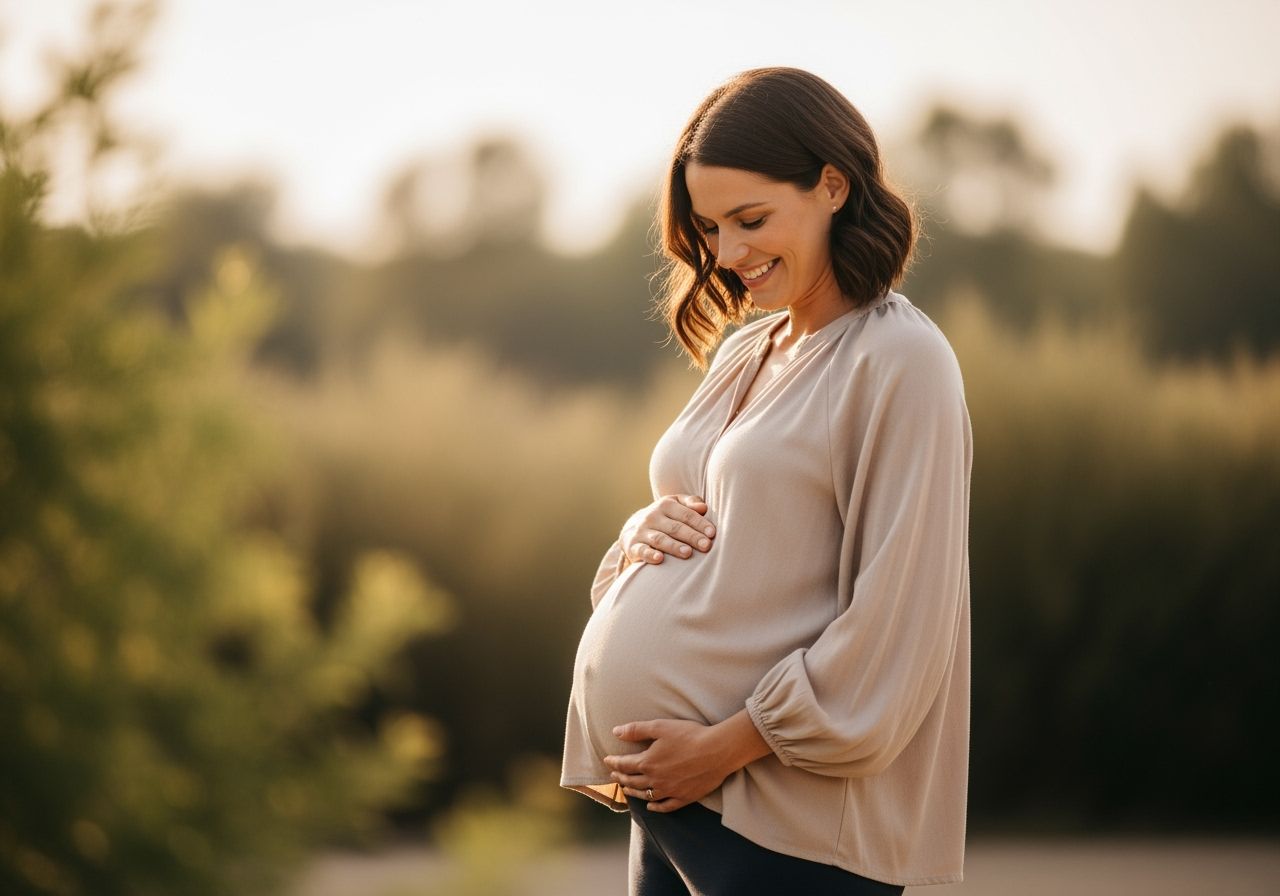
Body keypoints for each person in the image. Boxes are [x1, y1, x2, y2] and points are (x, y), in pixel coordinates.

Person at [560, 67, 972, 895]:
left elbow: (902, 618)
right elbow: (735, 535)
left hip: (784, 819)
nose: (728, 254)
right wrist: (638, 537)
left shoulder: (900, 360)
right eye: (711, 227)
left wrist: (725, 746)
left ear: (831, 185)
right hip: (677, 799)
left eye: (751, 219)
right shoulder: (748, 351)